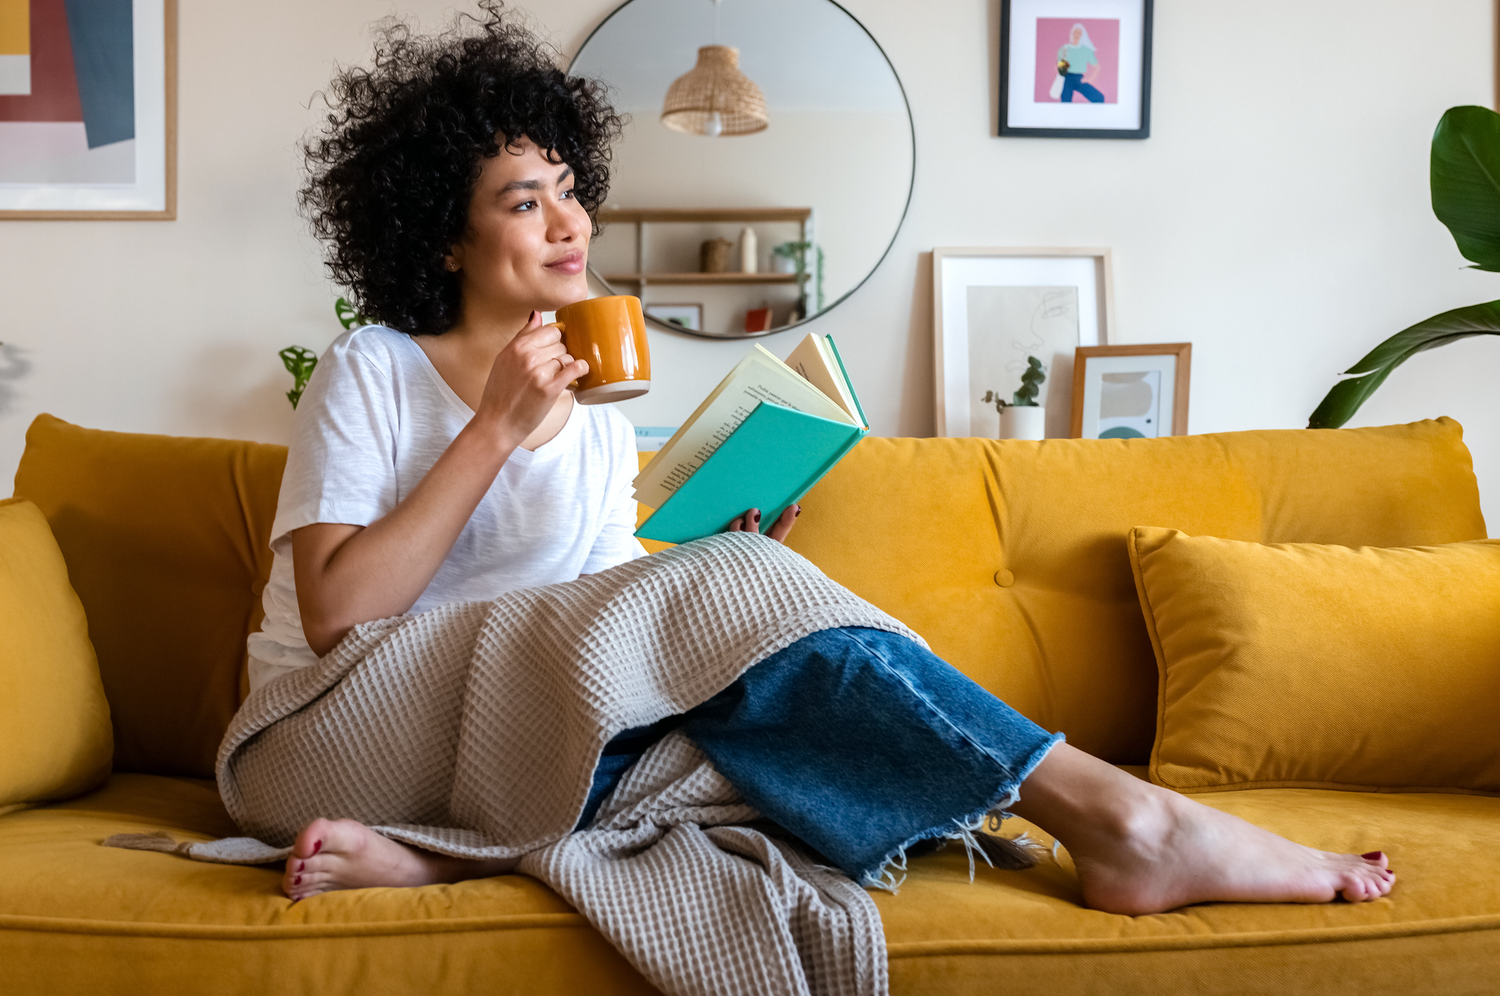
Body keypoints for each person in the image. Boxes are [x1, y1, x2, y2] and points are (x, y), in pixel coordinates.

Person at [247, 5, 1394, 916]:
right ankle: (1131, 820)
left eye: (571, 188)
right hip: (326, 736)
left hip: (502, 739)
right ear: (443, 239)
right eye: (523, 199)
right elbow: (341, 613)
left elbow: (590, 627)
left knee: (753, 727)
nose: (569, 222)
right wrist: (493, 429)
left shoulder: (596, 415)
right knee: (741, 689)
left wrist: (710, 562)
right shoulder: (376, 369)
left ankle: (449, 859)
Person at [1058, 23, 1106, 103]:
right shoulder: (1064, 49)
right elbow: (1061, 71)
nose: (1077, 35)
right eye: (1075, 32)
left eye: (1079, 33)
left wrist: (1090, 80)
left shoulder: (1086, 50)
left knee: (1099, 98)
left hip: (1079, 79)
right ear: (1071, 33)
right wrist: (1063, 61)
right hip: (1067, 79)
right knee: (1065, 103)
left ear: (1082, 35)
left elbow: (1097, 67)